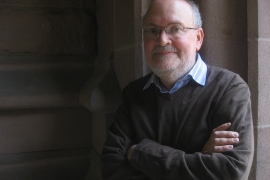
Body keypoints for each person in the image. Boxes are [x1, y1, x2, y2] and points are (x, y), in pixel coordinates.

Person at [101, 0, 254, 179]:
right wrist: (199, 159)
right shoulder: (134, 93)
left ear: (198, 38)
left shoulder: (229, 89)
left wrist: (140, 153)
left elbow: (229, 172)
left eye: (175, 28)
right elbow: (111, 168)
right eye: (152, 30)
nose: (162, 40)